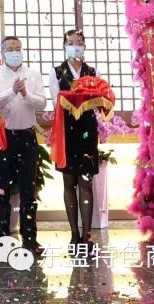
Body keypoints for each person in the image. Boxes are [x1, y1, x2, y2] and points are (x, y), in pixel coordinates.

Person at [0, 35, 47, 256]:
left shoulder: (33, 74)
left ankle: (30, 239)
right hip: (3, 137)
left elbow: (42, 103)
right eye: (9, 49)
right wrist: (12, 91)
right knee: (1, 190)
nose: (14, 52)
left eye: (17, 48)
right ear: (2, 53)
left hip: (27, 137)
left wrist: (25, 94)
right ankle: (1, 239)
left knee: (28, 190)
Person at [49, 30, 100, 250]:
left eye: (79, 43)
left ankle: (87, 234)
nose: (76, 46)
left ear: (85, 45)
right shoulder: (56, 72)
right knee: (69, 182)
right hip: (66, 130)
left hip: (87, 130)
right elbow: (56, 103)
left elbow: (98, 100)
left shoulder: (92, 72)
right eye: (71, 43)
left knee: (86, 183)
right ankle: (74, 233)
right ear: (64, 46)